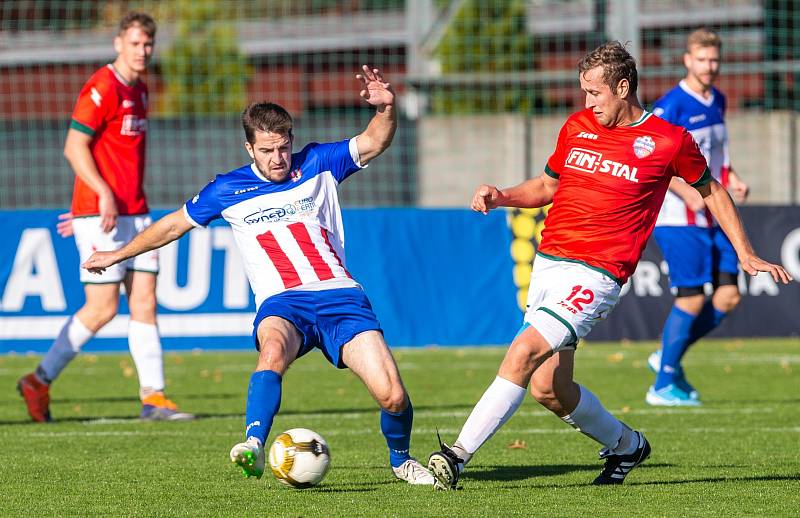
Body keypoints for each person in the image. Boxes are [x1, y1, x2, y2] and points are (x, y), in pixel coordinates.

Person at [427, 41, 792, 490]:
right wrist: (501, 195)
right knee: (549, 390)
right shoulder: (577, 126)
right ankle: (627, 445)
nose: (587, 103)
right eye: (583, 92)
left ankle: (455, 458)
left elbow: (712, 190)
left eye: (594, 93)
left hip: (597, 274)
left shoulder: (668, 140)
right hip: (548, 264)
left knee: (520, 353)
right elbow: (546, 186)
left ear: (623, 88)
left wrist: (745, 252)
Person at [81, 67, 435, 485]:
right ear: (249, 147)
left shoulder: (320, 162)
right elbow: (172, 226)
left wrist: (387, 108)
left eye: (284, 148)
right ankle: (253, 443)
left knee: (393, 395)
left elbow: (376, 139)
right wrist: (119, 253)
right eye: (268, 150)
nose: (279, 158)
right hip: (284, 301)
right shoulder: (228, 189)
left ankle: (401, 461)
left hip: (340, 297)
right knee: (271, 352)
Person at [16, 12, 192, 422]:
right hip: (105, 213)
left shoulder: (141, 89)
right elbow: (74, 147)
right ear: (118, 44)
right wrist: (99, 198)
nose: (142, 51)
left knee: (145, 302)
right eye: (134, 43)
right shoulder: (102, 87)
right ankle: (39, 380)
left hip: (136, 211)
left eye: (148, 44)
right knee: (102, 308)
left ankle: (155, 398)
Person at [646, 28, 749, 406]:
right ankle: (662, 384)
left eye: (714, 59)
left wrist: (731, 176)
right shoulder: (669, 107)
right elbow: (655, 160)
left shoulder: (717, 99)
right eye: (702, 59)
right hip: (679, 218)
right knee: (690, 299)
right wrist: (685, 191)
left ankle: (666, 358)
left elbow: (715, 153)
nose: (709, 66)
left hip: (714, 213)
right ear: (687, 60)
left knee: (728, 295)